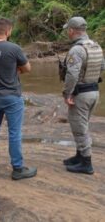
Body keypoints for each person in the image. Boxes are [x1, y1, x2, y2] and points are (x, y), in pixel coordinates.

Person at [0, 17, 37, 180]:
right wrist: (16, 69)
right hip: (11, 96)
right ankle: (17, 168)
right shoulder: (14, 48)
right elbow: (27, 68)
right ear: (8, 31)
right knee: (14, 133)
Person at [62, 16, 105, 174]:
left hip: (81, 94)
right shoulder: (96, 46)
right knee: (82, 125)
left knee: (80, 129)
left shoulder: (77, 49)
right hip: (94, 92)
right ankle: (79, 156)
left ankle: (86, 163)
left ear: (72, 31)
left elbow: (72, 74)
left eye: (68, 30)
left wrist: (67, 93)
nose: (68, 32)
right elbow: (102, 66)